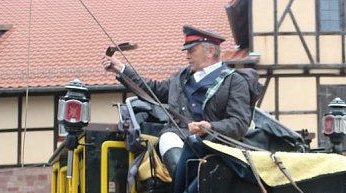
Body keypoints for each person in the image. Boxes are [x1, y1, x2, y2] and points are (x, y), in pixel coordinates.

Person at [102, 25, 252, 176]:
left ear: (210, 51)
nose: (187, 56)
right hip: (177, 141)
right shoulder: (181, 77)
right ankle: (188, 188)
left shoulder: (235, 81)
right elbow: (153, 90)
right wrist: (121, 68)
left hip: (216, 147)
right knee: (167, 138)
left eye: (191, 50)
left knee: (169, 140)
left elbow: (239, 123)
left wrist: (210, 126)